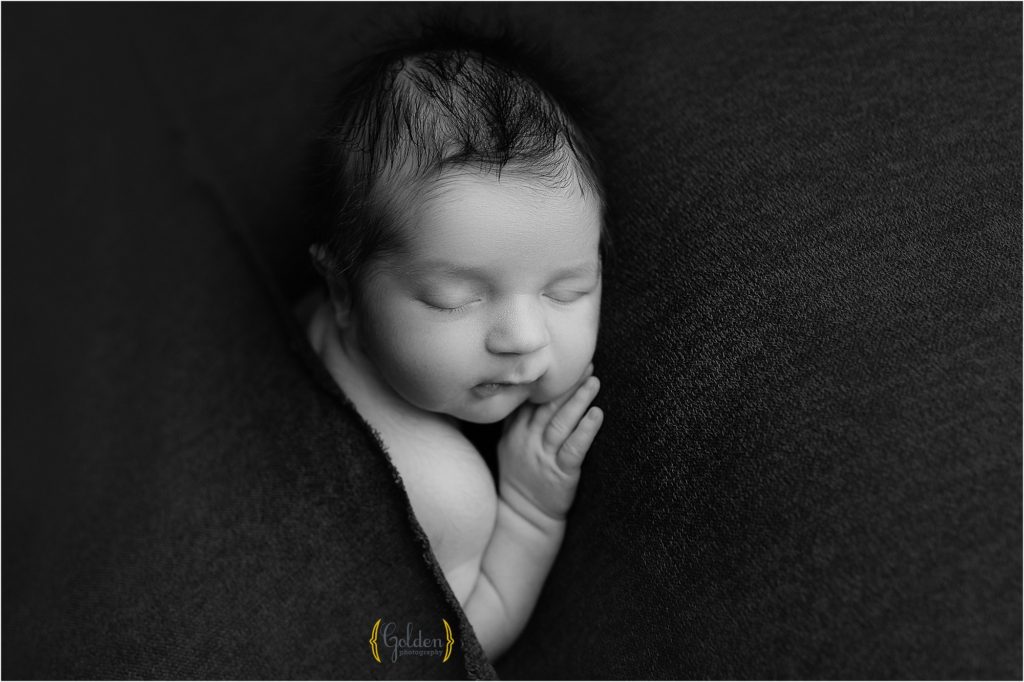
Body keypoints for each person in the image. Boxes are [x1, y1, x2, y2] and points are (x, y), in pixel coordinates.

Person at [303, 30, 607, 661]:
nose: (524, 338)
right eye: (455, 300)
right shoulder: (445, 492)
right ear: (342, 291)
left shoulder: (319, 327)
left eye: (567, 289)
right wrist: (528, 514)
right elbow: (431, 655)